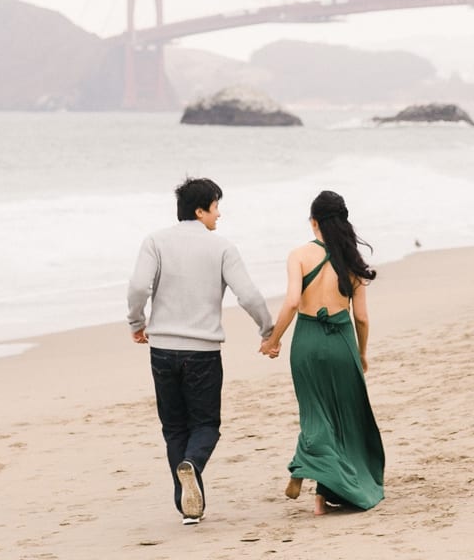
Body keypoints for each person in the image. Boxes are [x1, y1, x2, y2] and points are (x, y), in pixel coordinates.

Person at [126, 177, 275, 525]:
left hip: (162, 349)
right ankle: (192, 465)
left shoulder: (155, 241)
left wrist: (136, 322)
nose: (219, 214)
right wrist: (267, 329)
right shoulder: (221, 247)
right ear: (200, 210)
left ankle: (188, 508)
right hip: (203, 352)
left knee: (174, 427)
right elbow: (248, 295)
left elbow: (137, 286)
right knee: (206, 424)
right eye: (216, 206)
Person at [260, 189, 385, 514]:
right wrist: (361, 352)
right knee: (344, 418)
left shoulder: (299, 255)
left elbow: (290, 301)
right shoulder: (352, 259)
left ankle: (305, 469)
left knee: (315, 414)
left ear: (313, 221)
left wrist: (273, 340)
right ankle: (321, 495)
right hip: (342, 342)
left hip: (307, 342)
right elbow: (361, 317)